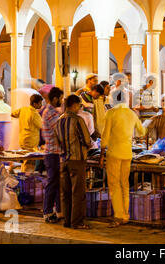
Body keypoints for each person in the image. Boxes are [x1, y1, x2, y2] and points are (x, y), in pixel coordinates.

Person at [100, 92, 146, 228]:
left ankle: (118, 216)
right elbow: (142, 132)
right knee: (124, 184)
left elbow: (105, 136)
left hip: (114, 153)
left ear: (113, 100)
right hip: (127, 153)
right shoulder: (132, 114)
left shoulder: (111, 113)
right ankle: (126, 215)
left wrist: (102, 153)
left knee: (114, 185)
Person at [55, 95, 93, 229]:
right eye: (80, 105)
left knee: (65, 193)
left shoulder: (59, 121)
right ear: (75, 105)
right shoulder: (77, 120)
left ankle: (67, 220)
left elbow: (57, 141)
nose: (80, 108)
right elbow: (87, 141)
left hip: (63, 160)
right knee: (78, 192)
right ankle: (77, 222)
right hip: (77, 160)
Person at [41, 87, 64, 224]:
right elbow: (60, 132)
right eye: (60, 98)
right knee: (52, 183)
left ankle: (58, 211)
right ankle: (48, 212)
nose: (61, 101)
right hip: (53, 153)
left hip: (54, 152)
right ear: (55, 99)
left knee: (56, 183)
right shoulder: (51, 113)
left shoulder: (51, 112)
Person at [11, 94, 44, 172]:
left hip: (22, 139)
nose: (41, 105)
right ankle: (26, 179)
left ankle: (21, 172)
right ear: (35, 104)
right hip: (31, 141)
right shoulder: (35, 114)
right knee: (30, 162)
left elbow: (13, 114)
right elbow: (42, 126)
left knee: (26, 159)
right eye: (40, 103)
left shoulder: (23, 109)